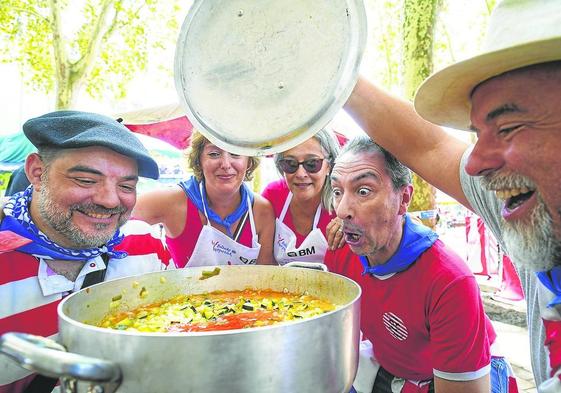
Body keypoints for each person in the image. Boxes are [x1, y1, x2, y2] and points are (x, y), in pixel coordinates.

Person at [343, 1, 561, 390]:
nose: (475, 162)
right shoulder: (541, 207)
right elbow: (429, 148)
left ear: (403, 198)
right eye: (477, 133)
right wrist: (325, 71)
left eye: (508, 127)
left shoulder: (447, 278)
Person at [325, 136, 516, 393]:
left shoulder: (448, 280)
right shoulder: (341, 253)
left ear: (404, 199)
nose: (342, 210)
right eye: (337, 191)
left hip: (467, 375)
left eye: (363, 191)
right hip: (396, 368)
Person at [0, 111, 172, 393]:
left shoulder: (147, 243)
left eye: (126, 186)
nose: (109, 200)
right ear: (37, 172)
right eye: (86, 180)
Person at [132, 131, 275, 267]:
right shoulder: (171, 201)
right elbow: (119, 220)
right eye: (214, 154)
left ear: (248, 162)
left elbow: (265, 277)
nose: (225, 164)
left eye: (235, 154)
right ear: (199, 160)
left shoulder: (262, 210)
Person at [261, 129, 344, 265]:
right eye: (290, 164)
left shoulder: (342, 206)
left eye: (312, 164)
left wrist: (352, 222)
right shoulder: (272, 195)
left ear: (329, 166)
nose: (301, 174)